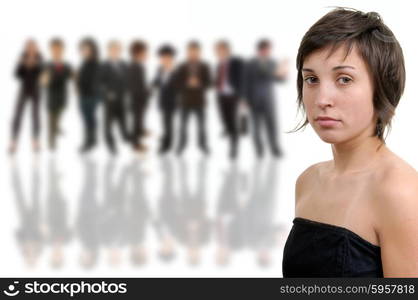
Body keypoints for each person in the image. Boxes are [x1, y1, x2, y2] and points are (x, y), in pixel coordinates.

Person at [282, 8, 418, 277]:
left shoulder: (400, 192)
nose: (322, 99)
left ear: (381, 87)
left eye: (344, 79)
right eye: (311, 79)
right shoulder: (308, 181)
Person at [243, 39, 288, 158]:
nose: (267, 52)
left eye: (269, 49)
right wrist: (245, 99)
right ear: (260, 50)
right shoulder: (251, 64)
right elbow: (246, 82)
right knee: (256, 127)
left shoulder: (272, 63)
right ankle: (259, 150)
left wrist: (283, 72)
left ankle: (275, 149)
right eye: (265, 49)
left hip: (269, 100)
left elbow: (280, 80)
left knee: (272, 125)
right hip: (254, 99)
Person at [175, 41, 211, 155]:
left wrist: (199, 83)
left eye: (195, 51)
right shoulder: (181, 66)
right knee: (182, 126)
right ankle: (181, 145)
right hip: (185, 102)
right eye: (190, 51)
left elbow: (210, 83)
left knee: (202, 126)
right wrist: (187, 83)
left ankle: (203, 145)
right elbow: (176, 83)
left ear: (199, 52)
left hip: (200, 102)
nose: (193, 54)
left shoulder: (205, 66)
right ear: (187, 52)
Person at [9, 39, 43, 154]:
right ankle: (13, 142)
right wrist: (22, 64)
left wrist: (35, 65)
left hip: (36, 89)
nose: (31, 49)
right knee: (18, 114)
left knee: (35, 115)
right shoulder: (22, 58)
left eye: (33, 47)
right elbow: (16, 75)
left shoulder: (40, 58)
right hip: (23, 89)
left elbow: (42, 75)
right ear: (26, 48)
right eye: (28, 47)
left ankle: (36, 141)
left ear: (36, 48)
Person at [214, 40, 244, 159]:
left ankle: (234, 145)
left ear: (226, 50)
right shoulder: (219, 64)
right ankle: (227, 129)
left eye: (220, 50)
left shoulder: (236, 62)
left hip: (233, 96)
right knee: (224, 117)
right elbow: (219, 79)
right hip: (221, 96)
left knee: (232, 120)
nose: (218, 53)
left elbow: (242, 79)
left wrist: (242, 96)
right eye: (217, 51)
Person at [42, 38, 73, 151]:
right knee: (51, 120)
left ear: (63, 50)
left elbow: (73, 77)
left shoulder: (67, 65)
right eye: (54, 49)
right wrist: (44, 80)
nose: (57, 51)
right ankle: (51, 143)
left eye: (59, 49)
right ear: (51, 50)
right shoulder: (46, 65)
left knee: (59, 114)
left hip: (63, 96)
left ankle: (57, 128)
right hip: (51, 96)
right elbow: (43, 81)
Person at [100, 40, 129, 155]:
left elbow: (128, 80)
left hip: (122, 99)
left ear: (120, 51)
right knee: (108, 123)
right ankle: (110, 144)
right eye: (113, 49)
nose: (115, 52)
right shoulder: (104, 65)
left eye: (117, 49)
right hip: (109, 99)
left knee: (123, 121)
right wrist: (107, 93)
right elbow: (99, 83)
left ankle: (126, 138)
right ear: (108, 51)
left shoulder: (124, 64)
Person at [152, 44, 178, 154]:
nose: (164, 60)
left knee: (168, 123)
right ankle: (166, 138)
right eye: (162, 58)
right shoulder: (159, 69)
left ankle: (167, 144)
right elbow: (155, 82)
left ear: (171, 58)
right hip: (162, 101)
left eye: (167, 57)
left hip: (172, 102)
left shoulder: (177, 71)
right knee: (164, 122)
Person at [77, 38, 101, 153]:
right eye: (83, 49)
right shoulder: (84, 62)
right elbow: (81, 78)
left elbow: (99, 80)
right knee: (87, 119)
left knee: (89, 119)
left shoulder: (96, 63)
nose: (85, 51)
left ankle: (89, 142)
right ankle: (93, 140)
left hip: (91, 96)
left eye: (87, 49)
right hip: (83, 95)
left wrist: (98, 96)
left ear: (92, 50)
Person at [127, 40, 149, 153]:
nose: (146, 55)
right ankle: (136, 144)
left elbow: (141, 83)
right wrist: (146, 92)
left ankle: (140, 132)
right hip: (137, 100)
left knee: (139, 120)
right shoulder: (134, 66)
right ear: (138, 53)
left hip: (140, 99)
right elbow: (134, 86)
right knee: (136, 121)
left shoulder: (138, 65)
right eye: (145, 52)